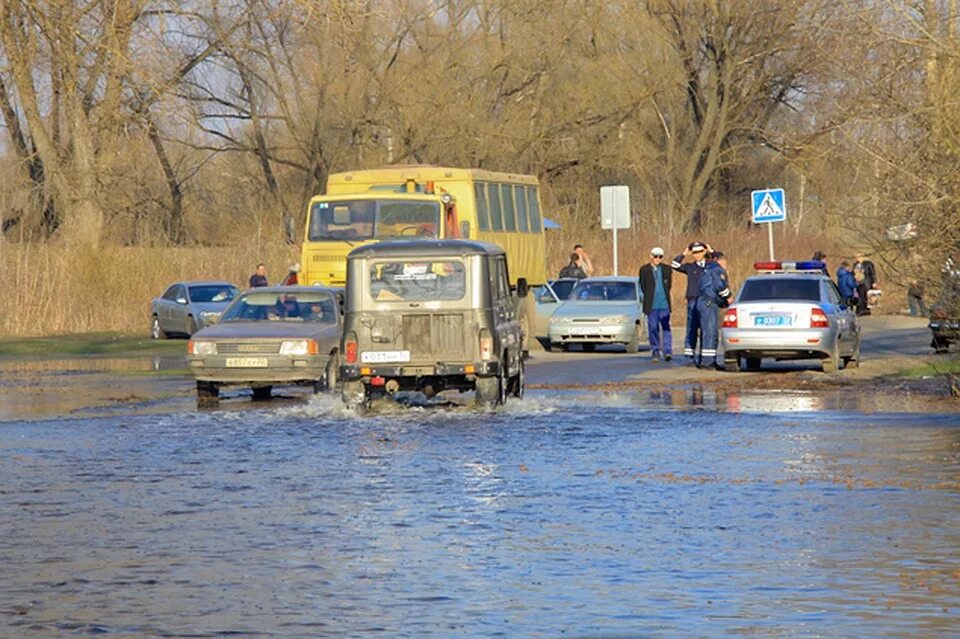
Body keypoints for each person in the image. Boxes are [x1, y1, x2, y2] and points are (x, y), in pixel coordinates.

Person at [671, 241, 711, 362]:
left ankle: (704, 357)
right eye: (695, 253)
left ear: (704, 252)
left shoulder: (710, 266)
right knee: (692, 328)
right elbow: (674, 264)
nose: (697, 255)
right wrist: (684, 253)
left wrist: (711, 251)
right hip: (693, 300)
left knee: (706, 329)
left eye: (699, 252)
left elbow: (720, 261)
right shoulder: (690, 267)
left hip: (706, 301)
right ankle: (689, 356)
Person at [695, 250, 731, 370]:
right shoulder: (716, 269)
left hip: (704, 302)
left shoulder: (708, 268)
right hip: (708, 303)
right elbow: (720, 286)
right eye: (725, 262)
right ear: (720, 260)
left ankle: (709, 360)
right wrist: (729, 297)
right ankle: (708, 362)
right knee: (710, 332)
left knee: (708, 332)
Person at [638, 246, 673, 362]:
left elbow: (668, 285)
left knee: (666, 327)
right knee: (653, 328)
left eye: (660, 257)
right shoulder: (644, 270)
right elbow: (642, 285)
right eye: (655, 256)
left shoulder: (667, 269)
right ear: (651, 256)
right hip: (651, 304)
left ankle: (667, 351)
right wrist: (647, 297)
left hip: (664, 304)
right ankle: (655, 350)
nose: (658, 259)